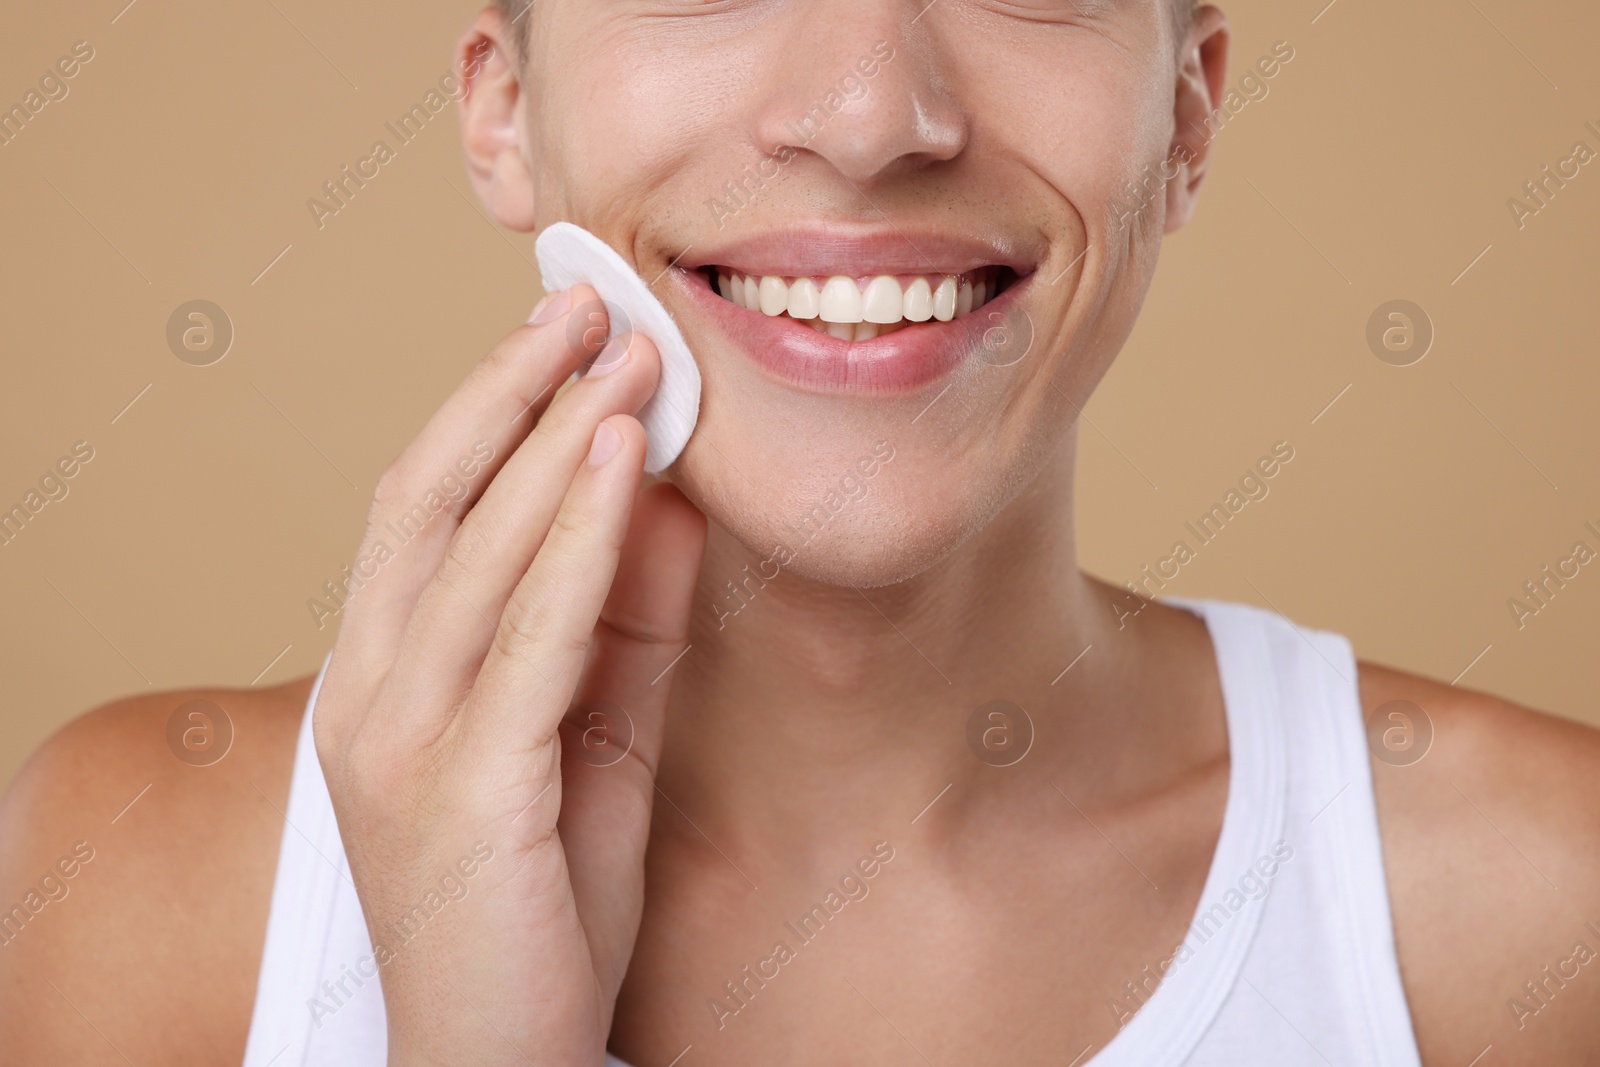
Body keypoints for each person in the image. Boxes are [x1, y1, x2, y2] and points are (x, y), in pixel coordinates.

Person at [3, 2, 1599, 1064]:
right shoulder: (125, 888)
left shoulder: (1540, 914)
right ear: (501, 107)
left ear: (1186, 115)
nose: (867, 114)